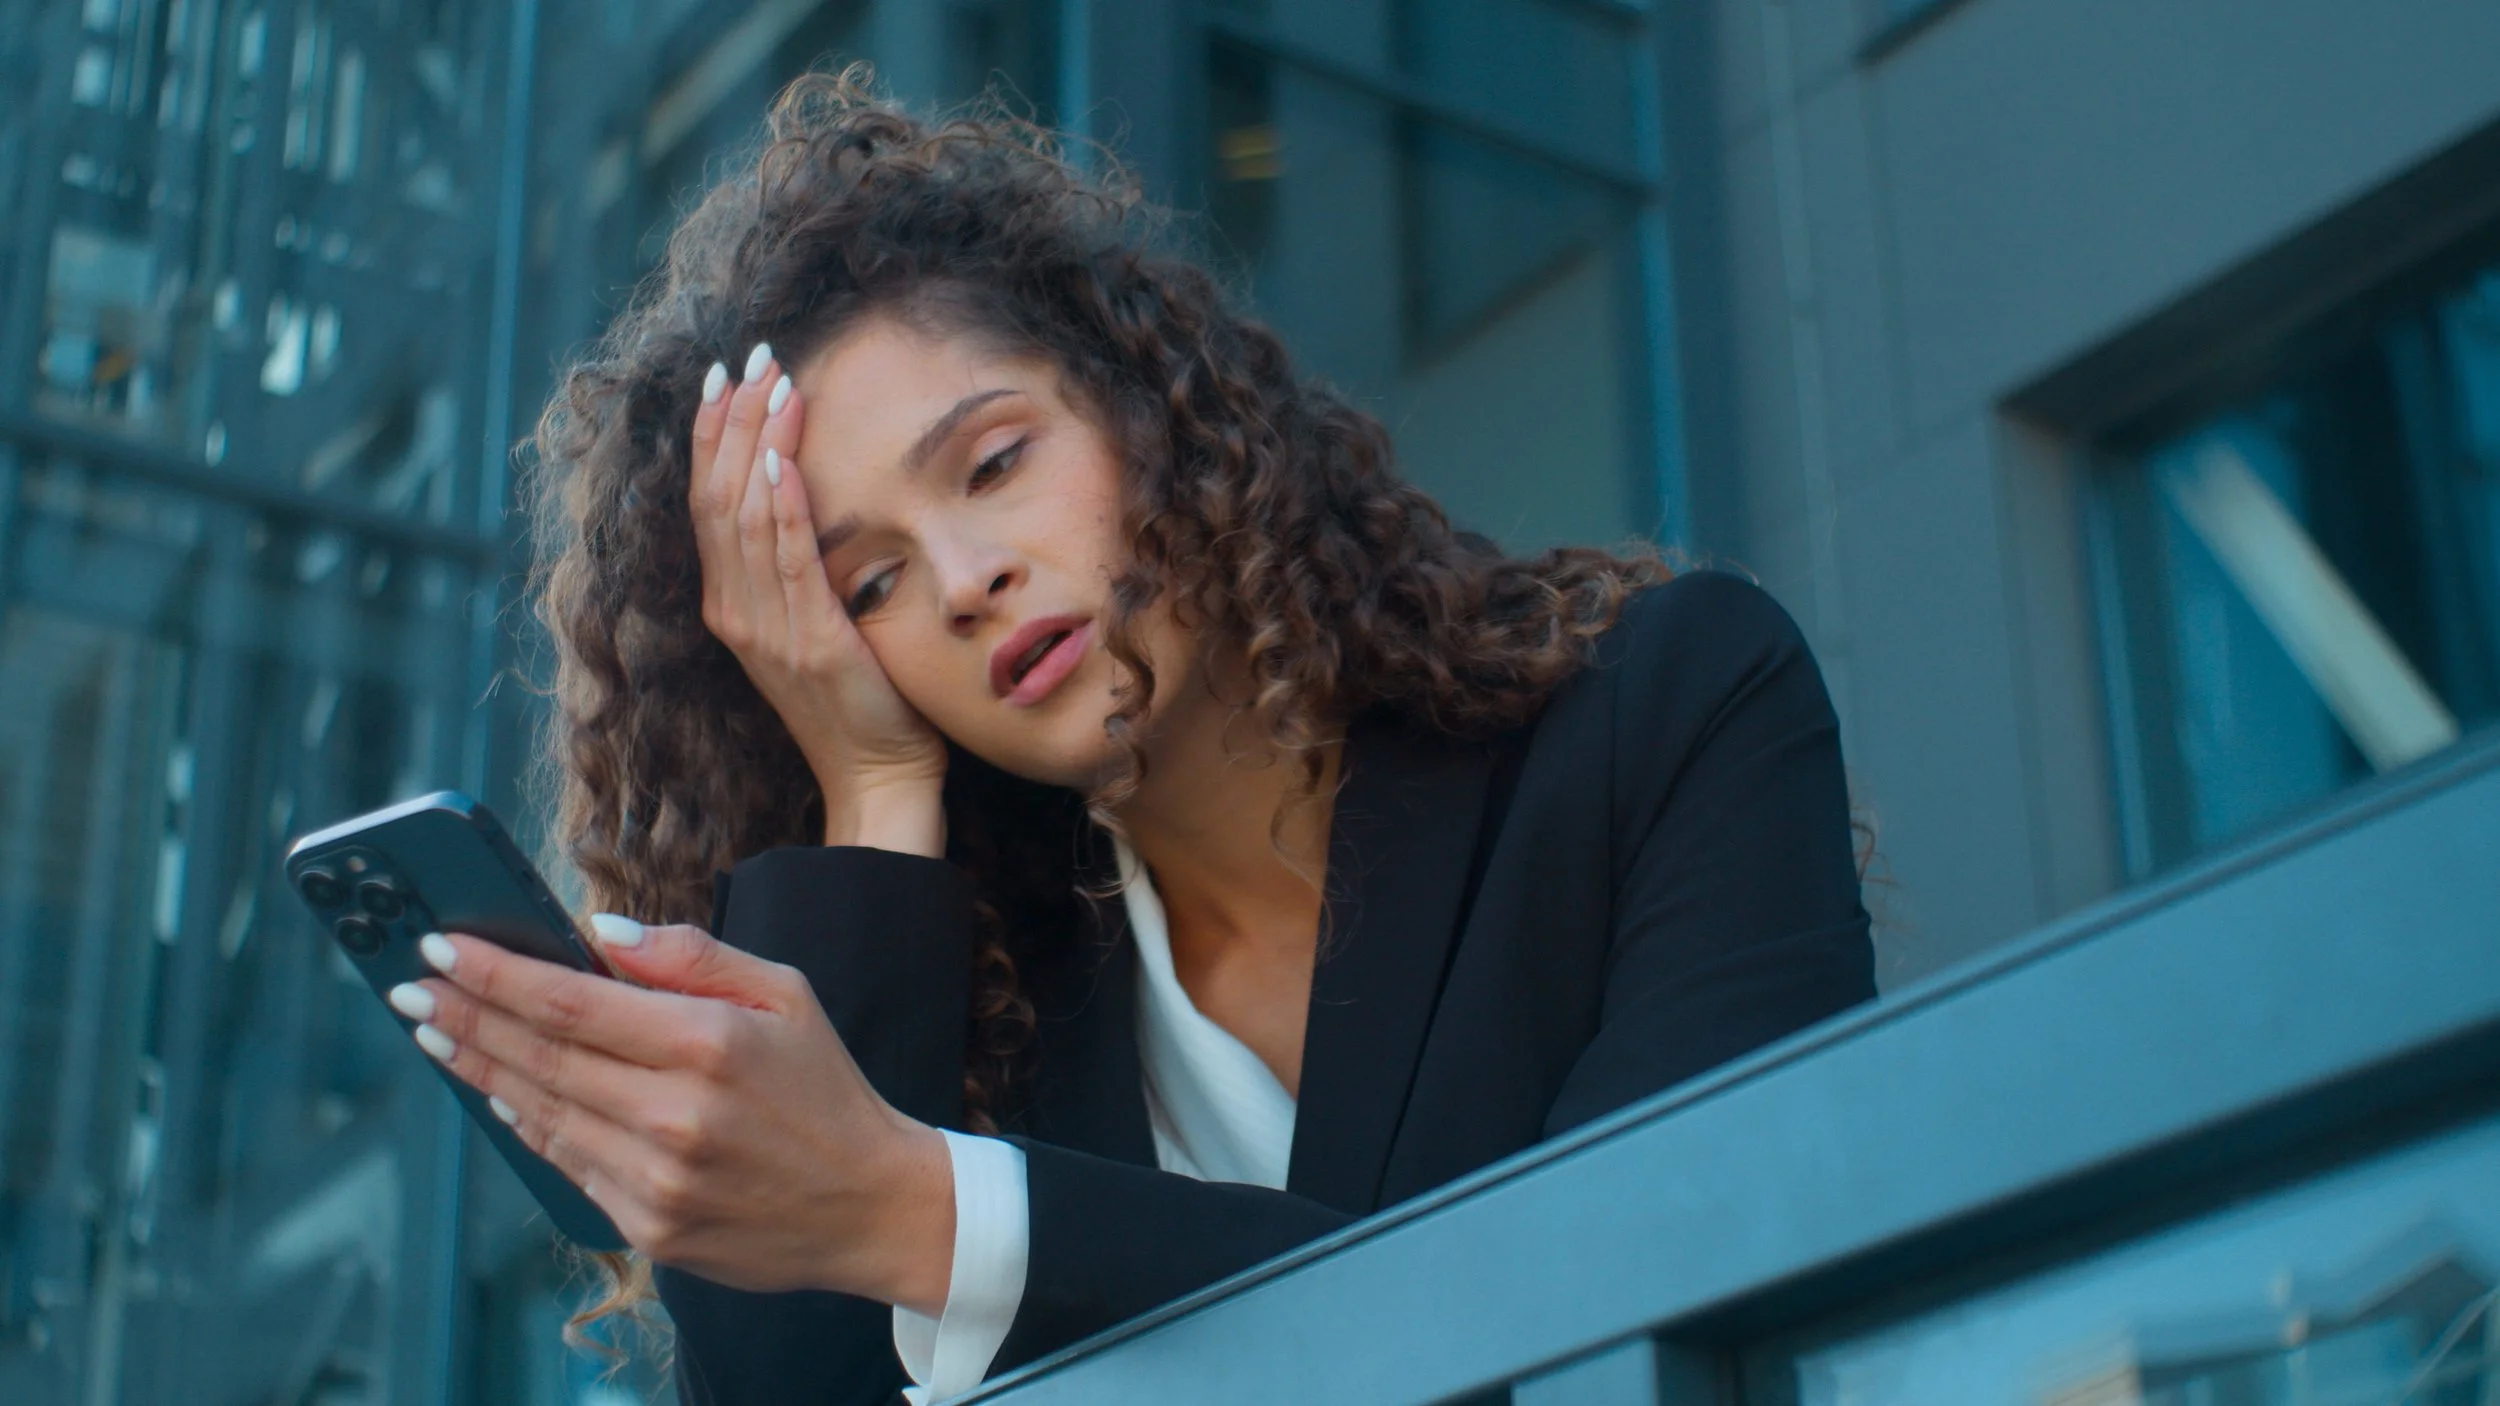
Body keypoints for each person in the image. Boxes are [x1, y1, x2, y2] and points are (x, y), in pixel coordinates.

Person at [390, 70, 1875, 1404]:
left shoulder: (1670, 712)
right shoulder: (1004, 1014)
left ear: (1150, 408)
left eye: (993, 461)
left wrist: (932, 1213)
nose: (969, 581)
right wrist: (877, 782)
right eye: (870, 584)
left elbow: (1669, 1289)